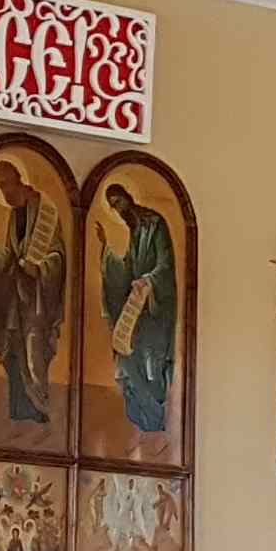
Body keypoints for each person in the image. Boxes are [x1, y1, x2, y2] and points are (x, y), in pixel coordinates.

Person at [0, 160, 68, 429]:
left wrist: (40, 267)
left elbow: (57, 255)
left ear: (18, 179)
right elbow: (10, 255)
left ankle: (40, 411)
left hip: (38, 302)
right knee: (14, 353)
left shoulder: (45, 212)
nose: (3, 191)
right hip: (15, 300)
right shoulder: (14, 214)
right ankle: (20, 413)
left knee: (34, 353)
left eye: (5, 184)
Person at [98, 185, 180, 446]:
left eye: (118, 201)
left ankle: (155, 426)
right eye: (112, 205)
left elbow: (165, 265)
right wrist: (106, 254)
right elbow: (127, 272)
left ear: (128, 197)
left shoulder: (155, 224)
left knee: (152, 365)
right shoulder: (135, 231)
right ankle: (142, 424)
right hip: (137, 310)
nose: (117, 209)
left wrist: (148, 281)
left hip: (156, 310)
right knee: (128, 358)